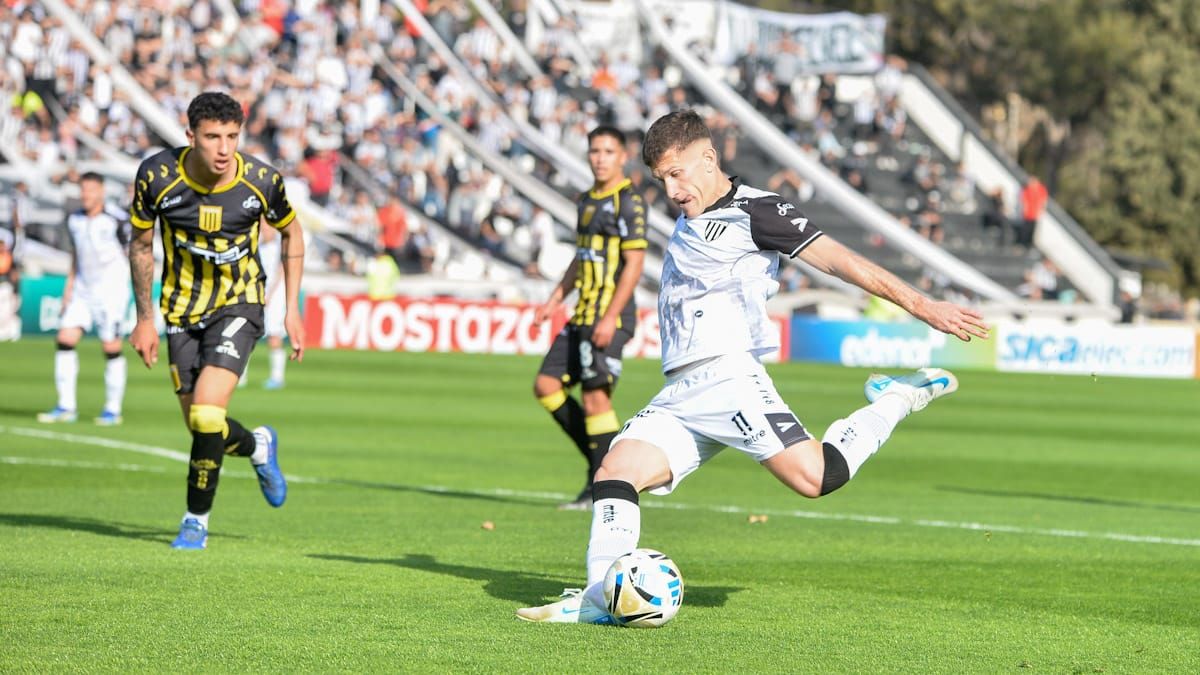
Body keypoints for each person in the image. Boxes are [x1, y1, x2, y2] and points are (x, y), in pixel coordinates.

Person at [517, 110, 988, 624]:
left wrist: (923, 306)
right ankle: (596, 599)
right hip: (680, 391)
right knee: (615, 472)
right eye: (661, 180)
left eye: (678, 174)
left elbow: (837, 259)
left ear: (709, 158)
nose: (672, 190)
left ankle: (898, 398)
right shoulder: (689, 217)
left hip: (729, 381)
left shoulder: (757, 211)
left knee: (818, 478)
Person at [128, 92, 306, 550]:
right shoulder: (157, 176)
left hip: (240, 302)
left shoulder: (261, 181)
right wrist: (144, 318)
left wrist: (292, 308)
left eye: (232, 136)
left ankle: (195, 521)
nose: (225, 148)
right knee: (201, 425)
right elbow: (141, 245)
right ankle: (259, 445)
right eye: (213, 137)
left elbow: (292, 231)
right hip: (180, 310)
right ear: (191, 137)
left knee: (208, 411)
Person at [533, 125, 648, 511]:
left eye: (608, 151)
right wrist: (555, 298)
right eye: (594, 151)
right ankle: (600, 464)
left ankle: (604, 485)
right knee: (547, 385)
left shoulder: (628, 202)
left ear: (622, 157)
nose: (600, 158)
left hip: (609, 317)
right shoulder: (585, 200)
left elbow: (634, 263)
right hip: (581, 312)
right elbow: (580, 256)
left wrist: (610, 316)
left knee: (597, 398)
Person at [37, 172, 132, 426]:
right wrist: (69, 288)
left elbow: (134, 253)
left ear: (101, 191)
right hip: (81, 289)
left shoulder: (117, 219)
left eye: (91, 190)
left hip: (110, 292)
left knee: (110, 347)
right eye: (83, 190)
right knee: (65, 339)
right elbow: (76, 256)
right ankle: (66, 405)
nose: (86, 195)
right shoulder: (75, 219)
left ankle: (113, 409)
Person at [1018, 176, 1048, 249]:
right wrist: (1024, 210)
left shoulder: (1041, 188)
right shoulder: (1027, 189)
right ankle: (1023, 243)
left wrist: (1042, 209)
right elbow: (1024, 201)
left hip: (1035, 213)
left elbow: (1044, 199)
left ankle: (1029, 244)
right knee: (1026, 229)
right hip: (1028, 213)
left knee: (1033, 229)